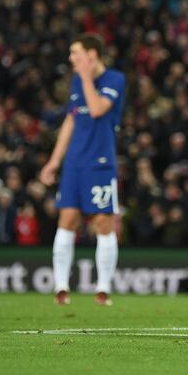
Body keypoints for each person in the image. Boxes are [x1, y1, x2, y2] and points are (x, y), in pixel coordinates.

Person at [39, 33, 126, 306]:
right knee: (67, 219)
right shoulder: (76, 81)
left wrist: (87, 76)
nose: (70, 59)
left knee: (103, 222)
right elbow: (71, 120)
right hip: (74, 162)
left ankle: (102, 289)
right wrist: (54, 160)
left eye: (75, 53)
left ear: (91, 55)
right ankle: (61, 287)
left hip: (100, 162)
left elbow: (98, 108)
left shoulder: (115, 79)